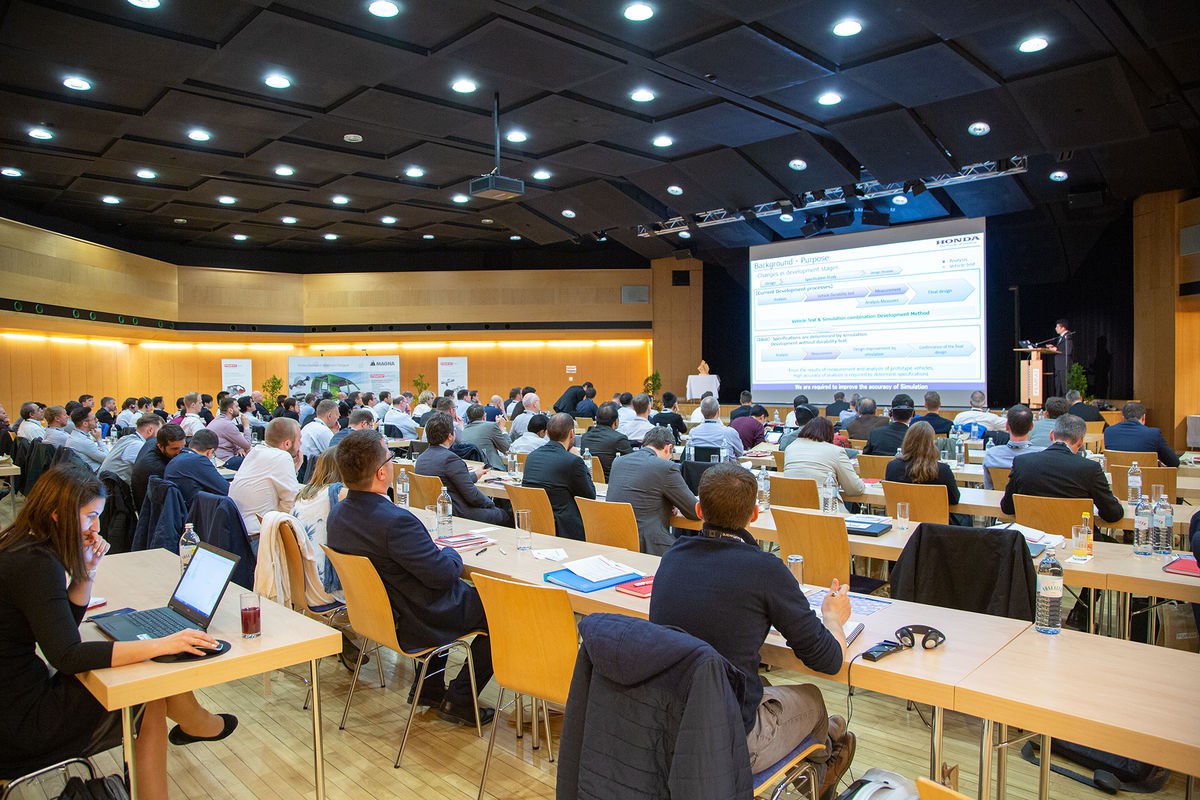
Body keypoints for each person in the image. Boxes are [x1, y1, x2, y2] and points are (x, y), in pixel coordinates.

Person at [0, 465, 236, 796]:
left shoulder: (22, 544)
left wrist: (87, 571)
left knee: (144, 671)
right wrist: (161, 643)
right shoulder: (36, 564)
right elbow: (67, 654)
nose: (96, 527)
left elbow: (60, 626)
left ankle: (199, 723)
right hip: (19, 724)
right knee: (146, 693)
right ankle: (199, 724)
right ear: (56, 514)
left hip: (16, 700)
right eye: (89, 516)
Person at [649, 463, 855, 795]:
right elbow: (828, 660)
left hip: (667, 727)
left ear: (699, 510)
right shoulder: (765, 570)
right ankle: (823, 771)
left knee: (764, 683)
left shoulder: (672, 557)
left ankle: (812, 751)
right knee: (814, 699)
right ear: (755, 514)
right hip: (729, 743)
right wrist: (832, 617)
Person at [326, 430, 495, 726]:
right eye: (390, 459)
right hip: (418, 618)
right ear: (381, 472)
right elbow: (442, 575)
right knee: (500, 610)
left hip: (383, 616)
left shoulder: (338, 514)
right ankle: (461, 699)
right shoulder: (396, 521)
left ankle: (429, 688)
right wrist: (452, 554)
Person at [1000, 414, 1124, 523]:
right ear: (1080, 442)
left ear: (1051, 435)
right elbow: (1112, 515)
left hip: (1033, 539)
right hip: (1076, 542)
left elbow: (1007, 508)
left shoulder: (1022, 462)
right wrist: (1114, 502)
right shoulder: (1090, 468)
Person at [605, 427, 699, 554]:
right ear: (668, 448)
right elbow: (693, 511)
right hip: (648, 543)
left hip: (613, 539)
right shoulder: (666, 467)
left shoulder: (619, 461)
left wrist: (667, 504)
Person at [415, 412, 510, 526]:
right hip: (460, 514)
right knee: (506, 515)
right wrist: (491, 504)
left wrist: (474, 475)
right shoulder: (450, 459)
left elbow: (446, 481)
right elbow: (473, 497)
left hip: (438, 511)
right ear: (450, 436)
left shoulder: (421, 458)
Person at [521, 413, 595, 540]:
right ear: (572, 434)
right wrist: (579, 459)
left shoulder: (532, 456)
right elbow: (590, 495)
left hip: (534, 523)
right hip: (565, 528)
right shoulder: (573, 461)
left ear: (547, 433)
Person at [229, 417, 301, 540]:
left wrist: (294, 470)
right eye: (299, 439)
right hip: (259, 537)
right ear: (287, 443)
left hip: (239, 531)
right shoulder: (282, 456)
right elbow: (291, 502)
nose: (301, 443)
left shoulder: (256, 451)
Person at [884, 422, 963, 519]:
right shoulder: (943, 470)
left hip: (903, 522)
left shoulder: (892, 466)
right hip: (936, 526)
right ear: (932, 443)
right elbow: (954, 499)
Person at [782, 417, 865, 508]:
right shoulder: (836, 451)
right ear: (830, 434)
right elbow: (854, 489)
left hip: (791, 509)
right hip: (825, 510)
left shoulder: (790, 448)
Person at [981, 405, 1044, 489]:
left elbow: (988, 487)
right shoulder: (1042, 455)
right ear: (1032, 426)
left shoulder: (992, 454)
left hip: (997, 500)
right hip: (1026, 501)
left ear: (1007, 426)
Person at [163, 429, 228, 506]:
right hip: (193, 512)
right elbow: (226, 490)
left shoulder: (178, 457)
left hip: (178, 509)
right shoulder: (198, 460)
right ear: (210, 452)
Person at [1103, 401, 1179, 467]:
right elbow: (1174, 462)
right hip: (1147, 480)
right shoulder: (1154, 434)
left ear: (1122, 418)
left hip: (1116, 479)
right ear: (1143, 418)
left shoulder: (1109, 432)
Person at [131, 424, 186, 509]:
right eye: (174, 449)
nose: (180, 452)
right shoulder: (155, 468)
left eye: (182, 447)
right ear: (160, 446)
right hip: (152, 510)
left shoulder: (154, 441)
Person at [99, 413, 162, 482]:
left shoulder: (126, 438)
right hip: (112, 489)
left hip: (107, 485)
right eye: (159, 431)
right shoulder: (137, 445)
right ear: (150, 430)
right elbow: (151, 469)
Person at [576, 402, 632, 475]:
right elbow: (633, 460)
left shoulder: (585, 437)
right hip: (611, 481)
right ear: (616, 422)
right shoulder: (619, 439)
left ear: (596, 420)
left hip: (589, 480)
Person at [457, 403, 511, 471]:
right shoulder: (491, 426)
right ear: (484, 416)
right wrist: (502, 428)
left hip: (473, 470)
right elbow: (507, 449)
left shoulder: (464, 431)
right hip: (491, 469)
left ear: (468, 418)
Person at [688, 395, 743, 460]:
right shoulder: (729, 432)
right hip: (724, 469)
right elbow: (740, 453)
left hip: (699, 470)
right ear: (718, 411)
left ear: (702, 412)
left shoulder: (693, 432)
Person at [207, 396, 253, 470]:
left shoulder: (217, 420)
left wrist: (239, 448)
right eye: (237, 406)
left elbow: (233, 440)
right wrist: (246, 426)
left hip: (217, 458)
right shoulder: (228, 424)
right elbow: (247, 445)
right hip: (224, 461)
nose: (239, 408)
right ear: (230, 410)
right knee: (255, 460)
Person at [65, 407, 109, 472]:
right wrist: (99, 439)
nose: (97, 420)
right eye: (94, 419)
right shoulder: (83, 441)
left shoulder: (76, 435)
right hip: (95, 475)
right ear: (85, 423)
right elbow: (107, 459)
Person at [1046, 318, 1072, 396]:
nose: (1055, 328)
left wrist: (1056, 349)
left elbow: (1068, 351)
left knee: (1065, 387)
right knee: (1058, 386)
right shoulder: (1061, 337)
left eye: (1057, 327)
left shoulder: (1068, 336)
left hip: (1064, 365)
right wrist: (1054, 348)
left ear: (1063, 328)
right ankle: (1057, 403)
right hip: (1059, 365)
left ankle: (1065, 404)